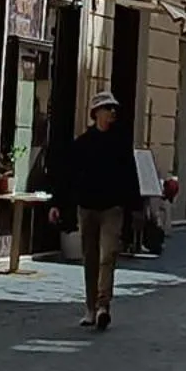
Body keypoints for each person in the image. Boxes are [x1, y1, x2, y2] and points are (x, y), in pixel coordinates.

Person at [48, 90, 142, 330]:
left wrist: (136, 206)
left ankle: (103, 306)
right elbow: (66, 177)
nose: (112, 112)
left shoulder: (120, 143)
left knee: (108, 255)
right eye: (108, 108)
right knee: (90, 257)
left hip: (112, 208)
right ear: (96, 113)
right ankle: (90, 307)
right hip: (87, 207)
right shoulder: (82, 144)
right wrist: (58, 204)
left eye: (113, 109)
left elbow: (130, 176)